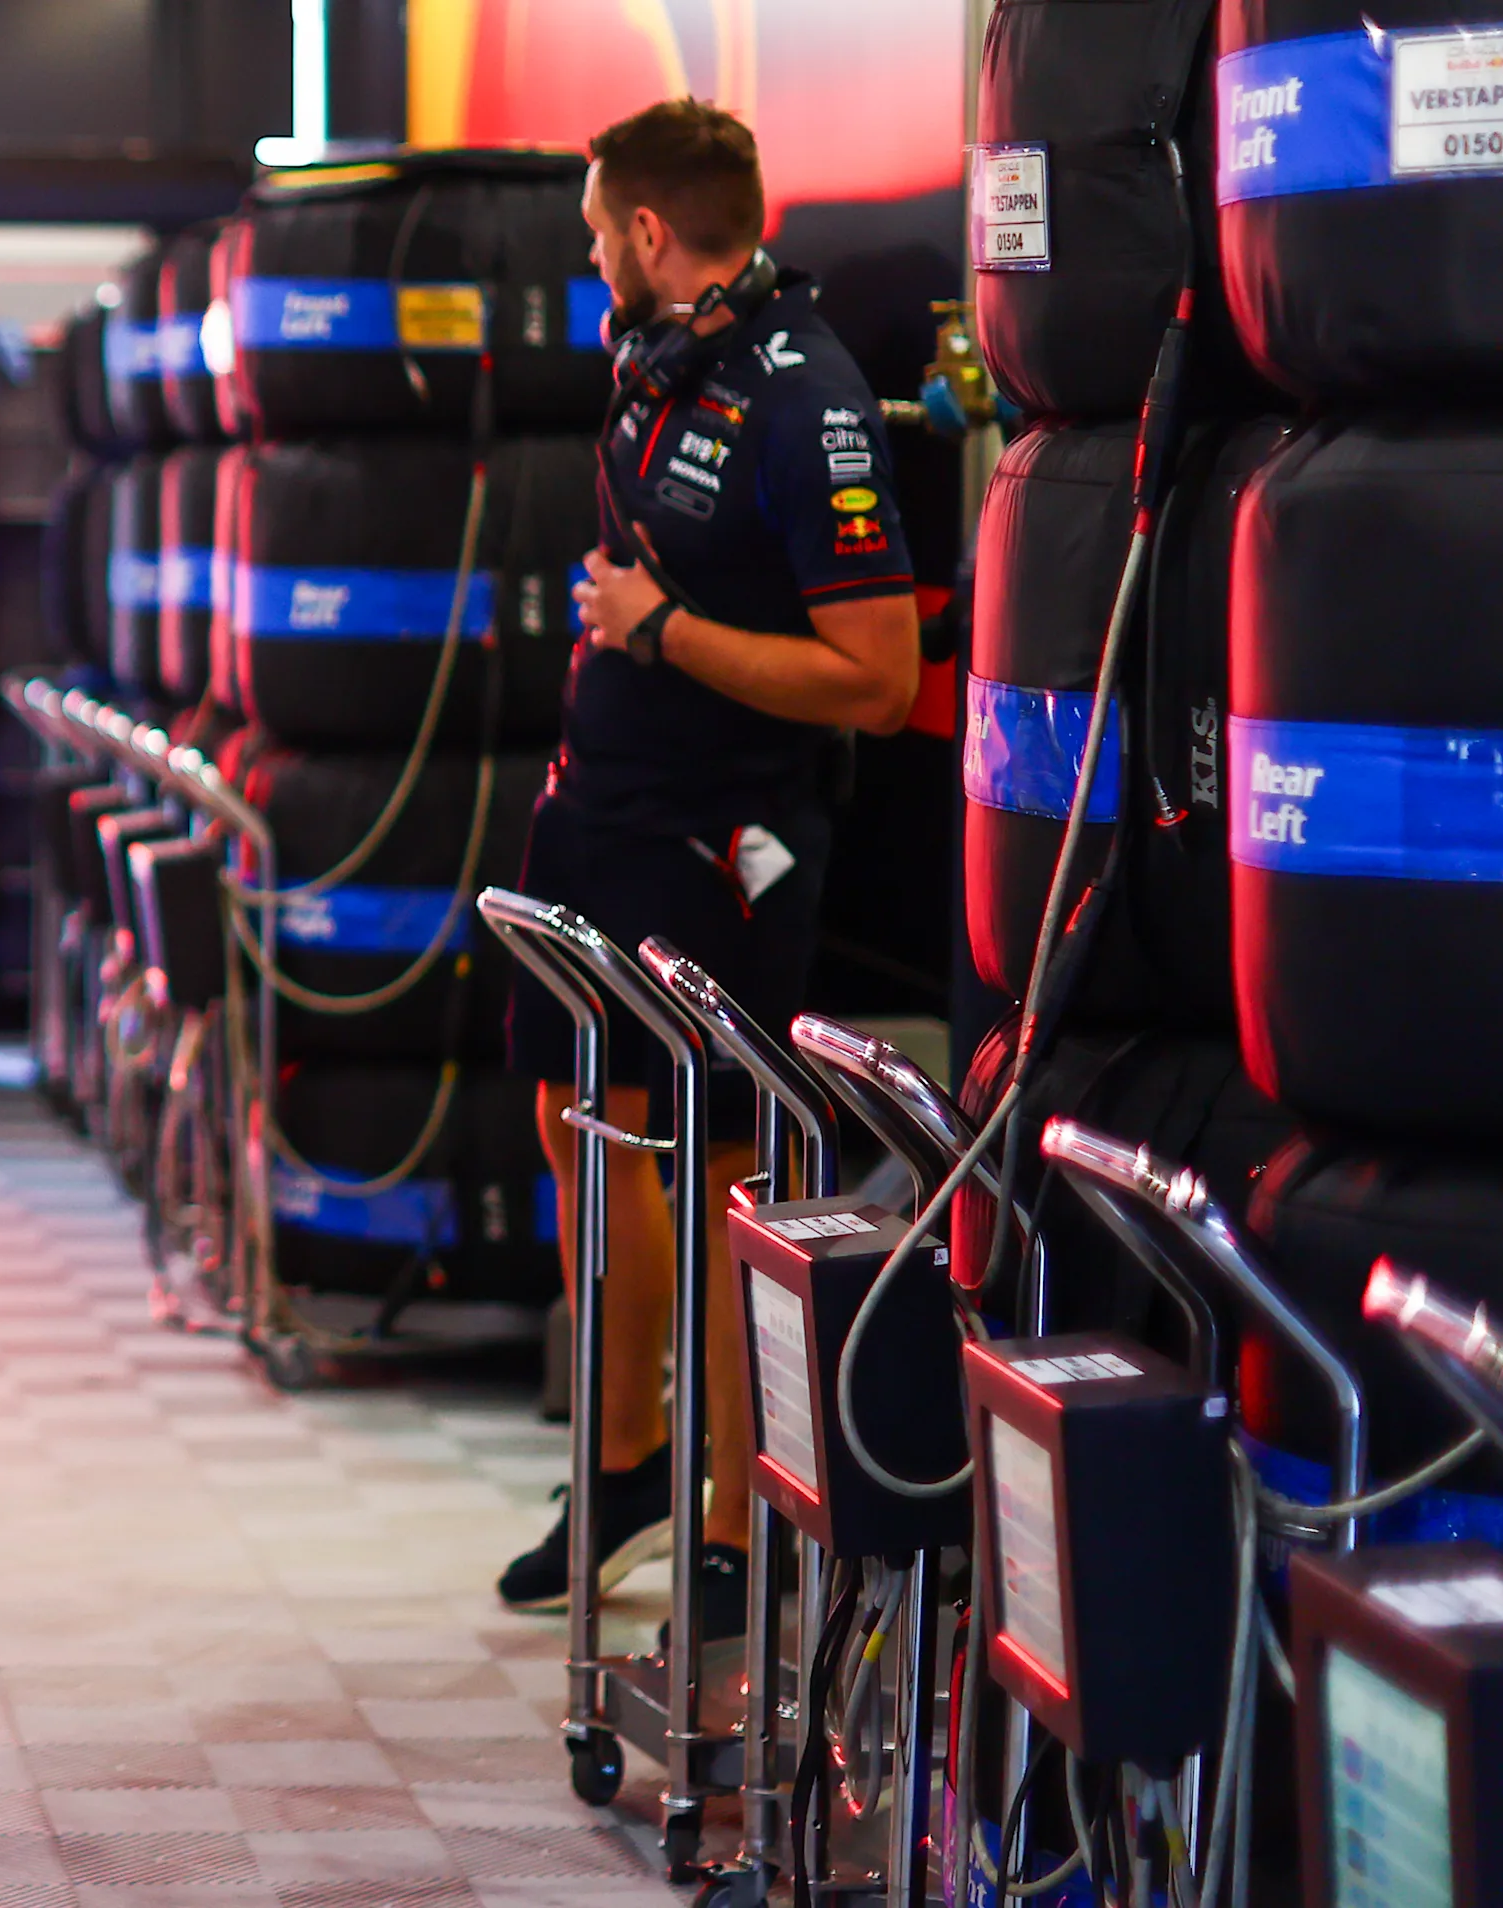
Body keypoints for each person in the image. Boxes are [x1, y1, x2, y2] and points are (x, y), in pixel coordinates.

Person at [497, 100, 919, 1635]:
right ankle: (622, 1462)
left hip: (727, 848)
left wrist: (661, 633)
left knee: (714, 1174)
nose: (592, 252)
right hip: (603, 812)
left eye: (602, 229)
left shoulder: (811, 402)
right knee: (569, 1120)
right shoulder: (655, 368)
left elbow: (877, 678)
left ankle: (733, 1524)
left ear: (654, 235)